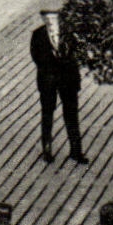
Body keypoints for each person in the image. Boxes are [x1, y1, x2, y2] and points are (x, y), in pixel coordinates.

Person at [30, 9, 87, 164]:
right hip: (48, 81)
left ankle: (76, 150)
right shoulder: (38, 34)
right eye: (46, 19)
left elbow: (78, 54)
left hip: (68, 80)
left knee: (71, 115)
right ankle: (47, 150)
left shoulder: (70, 34)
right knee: (47, 114)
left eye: (53, 19)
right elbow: (36, 57)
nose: (49, 21)